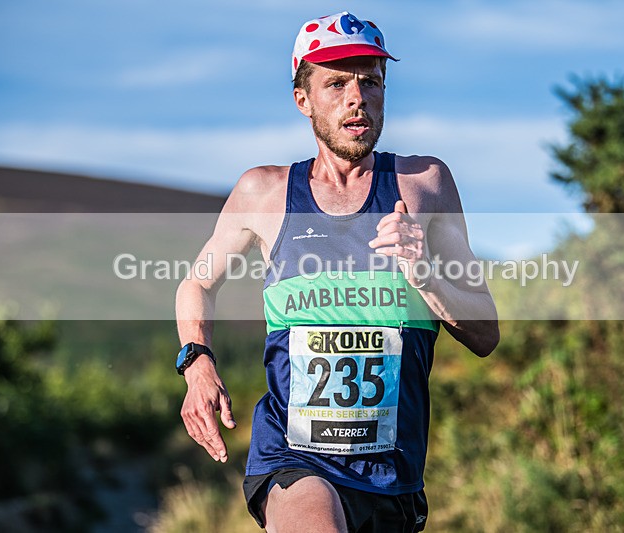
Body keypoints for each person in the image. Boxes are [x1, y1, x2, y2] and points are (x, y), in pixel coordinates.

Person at [175, 11, 499, 532]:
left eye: (371, 81)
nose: (357, 97)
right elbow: (197, 283)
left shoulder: (425, 185)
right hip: (296, 456)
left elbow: (486, 333)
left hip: (394, 474)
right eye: (337, 83)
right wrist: (196, 361)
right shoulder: (265, 193)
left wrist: (426, 276)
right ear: (303, 99)